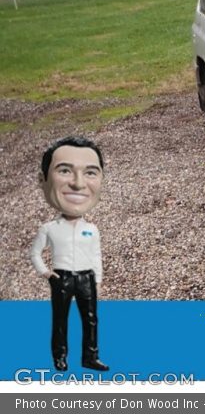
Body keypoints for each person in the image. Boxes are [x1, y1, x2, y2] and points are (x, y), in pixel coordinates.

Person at [30, 136, 110, 372]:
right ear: (43, 180)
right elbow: (35, 252)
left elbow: (96, 255)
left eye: (91, 173)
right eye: (64, 171)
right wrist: (45, 272)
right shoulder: (50, 228)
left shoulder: (91, 229)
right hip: (62, 278)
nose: (77, 184)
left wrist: (98, 280)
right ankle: (60, 358)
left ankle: (90, 357)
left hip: (86, 278)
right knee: (60, 320)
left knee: (91, 319)